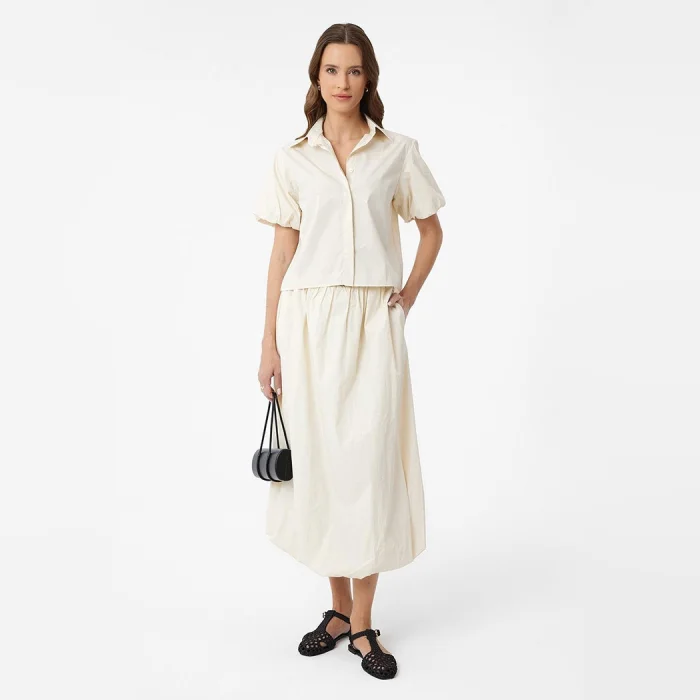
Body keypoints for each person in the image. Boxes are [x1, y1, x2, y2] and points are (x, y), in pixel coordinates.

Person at [253, 23, 446, 680]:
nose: (342, 81)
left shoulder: (397, 152)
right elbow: (281, 253)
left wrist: (406, 297)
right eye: (332, 70)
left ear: (369, 79)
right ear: (317, 77)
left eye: (354, 70)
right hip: (306, 326)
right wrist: (268, 343)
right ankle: (337, 611)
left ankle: (364, 622)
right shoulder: (292, 159)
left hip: (372, 323)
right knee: (321, 469)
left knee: (368, 468)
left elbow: (431, 231)